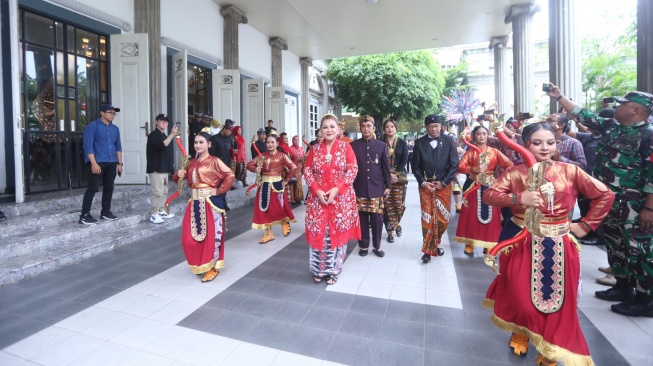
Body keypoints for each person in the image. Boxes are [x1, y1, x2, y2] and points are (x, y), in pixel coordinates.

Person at [482, 122, 614, 366]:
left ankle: (549, 347)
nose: (544, 147)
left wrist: (585, 226)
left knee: (558, 300)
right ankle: (520, 331)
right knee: (519, 295)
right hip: (522, 241)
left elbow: (605, 194)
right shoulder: (515, 172)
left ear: (557, 144)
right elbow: (489, 195)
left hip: (560, 245)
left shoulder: (571, 171)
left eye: (550, 142)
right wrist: (517, 197)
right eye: (536, 142)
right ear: (525, 145)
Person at [551, 84, 653, 318]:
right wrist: (560, 97)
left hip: (635, 206)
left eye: (623, 104)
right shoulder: (612, 128)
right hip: (609, 201)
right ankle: (622, 286)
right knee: (616, 244)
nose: (617, 107)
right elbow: (584, 115)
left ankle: (646, 299)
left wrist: (649, 208)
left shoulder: (649, 135)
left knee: (639, 250)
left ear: (635, 110)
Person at [304, 114, 360, 285]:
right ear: (321, 130)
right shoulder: (315, 149)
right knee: (321, 233)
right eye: (325, 127)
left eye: (332, 127)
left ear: (338, 129)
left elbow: (352, 170)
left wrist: (337, 189)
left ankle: (334, 270)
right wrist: (317, 190)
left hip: (341, 200)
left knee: (336, 233)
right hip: (318, 200)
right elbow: (307, 171)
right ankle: (318, 269)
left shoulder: (346, 148)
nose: (329, 130)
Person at [175, 130, 235, 282]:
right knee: (188, 237)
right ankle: (200, 263)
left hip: (210, 203)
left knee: (212, 236)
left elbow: (230, 175)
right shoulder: (191, 162)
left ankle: (213, 267)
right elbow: (181, 180)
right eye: (196, 142)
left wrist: (219, 190)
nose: (198, 145)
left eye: (201, 142)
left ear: (209, 144)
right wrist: (178, 175)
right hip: (194, 202)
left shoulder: (214, 161)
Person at [454, 126, 512, 255]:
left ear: (488, 135)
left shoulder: (494, 152)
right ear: (474, 136)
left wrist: (500, 179)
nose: (481, 136)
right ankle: (470, 243)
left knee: (493, 218)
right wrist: (473, 169)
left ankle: (489, 244)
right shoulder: (470, 152)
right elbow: (460, 166)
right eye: (479, 134)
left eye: (484, 134)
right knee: (471, 216)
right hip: (472, 187)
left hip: (490, 186)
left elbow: (509, 165)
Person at [411, 114, 459, 262]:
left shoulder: (449, 141)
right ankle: (428, 249)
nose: (434, 129)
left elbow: (454, 164)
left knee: (443, 219)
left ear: (440, 126)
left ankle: (435, 243)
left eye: (436, 126)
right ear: (426, 127)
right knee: (427, 218)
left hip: (443, 186)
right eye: (431, 126)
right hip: (426, 186)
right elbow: (415, 166)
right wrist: (423, 182)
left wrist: (444, 182)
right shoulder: (419, 143)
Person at [351, 115, 392, 257]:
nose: (366, 129)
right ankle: (363, 246)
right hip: (359, 186)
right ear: (360, 128)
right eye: (363, 126)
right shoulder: (353, 146)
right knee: (361, 218)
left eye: (369, 126)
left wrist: (388, 186)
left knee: (377, 218)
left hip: (376, 187)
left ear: (374, 128)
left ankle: (377, 246)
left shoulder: (381, 146)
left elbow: (386, 167)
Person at [246, 134, 297, 244]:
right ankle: (269, 232)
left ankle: (284, 222)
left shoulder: (282, 156)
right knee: (264, 209)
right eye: (268, 142)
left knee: (279, 207)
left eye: (272, 142)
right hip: (264, 185)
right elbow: (249, 165)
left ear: (277, 143)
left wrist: (286, 181)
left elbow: (293, 167)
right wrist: (255, 169)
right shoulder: (262, 156)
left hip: (277, 186)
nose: (270, 144)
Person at [78, 104, 123, 225]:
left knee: (109, 187)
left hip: (111, 161)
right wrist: (93, 163)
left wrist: (120, 163)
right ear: (102, 113)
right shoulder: (92, 126)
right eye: (110, 112)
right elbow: (88, 146)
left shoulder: (115, 129)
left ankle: (105, 212)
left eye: (114, 113)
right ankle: (84, 215)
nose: (112, 115)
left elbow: (118, 147)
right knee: (93, 188)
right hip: (98, 162)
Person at [146, 114, 179, 224]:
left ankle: (161, 211)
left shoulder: (163, 135)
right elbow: (162, 145)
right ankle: (154, 214)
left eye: (166, 121)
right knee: (158, 192)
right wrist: (172, 135)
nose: (164, 123)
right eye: (162, 121)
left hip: (164, 168)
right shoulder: (153, 135)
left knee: (164, 191)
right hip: (156, 168)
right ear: (156, 122)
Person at [381, 119, 409, 243]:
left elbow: (404, 160)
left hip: (399, 177)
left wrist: (395, 173)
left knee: (398, 204)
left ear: (396, 128)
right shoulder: (380, 142)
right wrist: (388, 175)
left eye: (392, 126)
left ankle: (397, 224)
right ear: (384, 129)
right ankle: (390, 231)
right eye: (387, 127)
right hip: (383, 178)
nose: (390, 129)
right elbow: (379, 161)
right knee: (386, 205)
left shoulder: (402, 143)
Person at [210, 119, 235, 208]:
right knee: (218, 185)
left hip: (227, 165)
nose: (230, 132)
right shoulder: (215, 138)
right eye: (229, 130)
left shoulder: (228, 138)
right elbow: (212, 153)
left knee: (225, 185)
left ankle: (223, 202)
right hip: (218, 166)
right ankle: (220, 203)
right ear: (224, 129)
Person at [290, 135, 306, 205]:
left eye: (298, 140)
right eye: (295, 140)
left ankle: (299, 197)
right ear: (293, 141)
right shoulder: (290, 149)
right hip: (294, 168)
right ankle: (293, 198)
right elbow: (289, 159)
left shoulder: (301, 149)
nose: (296, 141)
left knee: (299, 183)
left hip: (300, 168)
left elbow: (304, 157)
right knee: (294, 183)